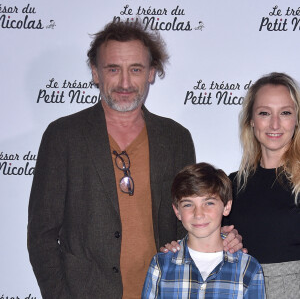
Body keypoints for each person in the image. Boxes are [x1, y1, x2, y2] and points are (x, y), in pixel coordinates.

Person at [27, 20, 241, 299]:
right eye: (113, 69)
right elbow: (41, 235)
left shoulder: (176, 137)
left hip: (162, 290)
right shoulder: (63, 136)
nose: (125, 82)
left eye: (136, 69)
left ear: (151, 73)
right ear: (95, 73)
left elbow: (186, 223)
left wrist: (221, 239)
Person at [224, 72, 300, 299]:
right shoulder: (232, 184)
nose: (275, 123)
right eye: (265, 113)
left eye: (285, 113)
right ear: (251, 120)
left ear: (296, 119)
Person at [142, 163, 265, 298]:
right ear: (177, 211)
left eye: (209, 203)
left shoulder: (248, 268)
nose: (198, 214)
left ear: (226, 206)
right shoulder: (161, 266)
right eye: (188, 204)